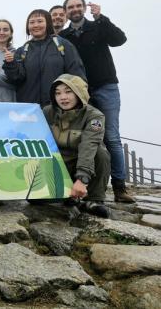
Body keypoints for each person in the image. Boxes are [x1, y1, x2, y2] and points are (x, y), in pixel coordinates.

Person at [60, 0, 133, 203]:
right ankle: (84, 184)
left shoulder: (98, 26)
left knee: (111, 137)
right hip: (81, 92)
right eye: (70, 7)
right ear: (66, 12)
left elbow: (120, 40)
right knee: (86, 137)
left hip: (106, 86)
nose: (74, 9)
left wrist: (101, 17)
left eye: (78, 6)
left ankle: (119, 187)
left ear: (84, 8)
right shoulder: (64, 36)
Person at [42, 74, 111, 218]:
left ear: (79, 93)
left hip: (82, 164)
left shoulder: (94, 116)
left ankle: (94, 200)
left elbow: (89, 145)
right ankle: (71, 197)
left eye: (68, 91)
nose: (63, 97)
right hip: (59, 165)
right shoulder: (46, 112)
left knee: (100, 152)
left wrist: (82, 179)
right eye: (58, 93)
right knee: (36, 200)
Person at [3, 9, 86, 106]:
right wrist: (10, 63)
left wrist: (78, 102)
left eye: (40, 21)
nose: (35, 25)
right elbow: (16, 79)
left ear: (48, 23)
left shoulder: (64, 45)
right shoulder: (22, 50)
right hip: (30, 109)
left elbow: (77, 75)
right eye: (32, 22)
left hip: (59, 107)